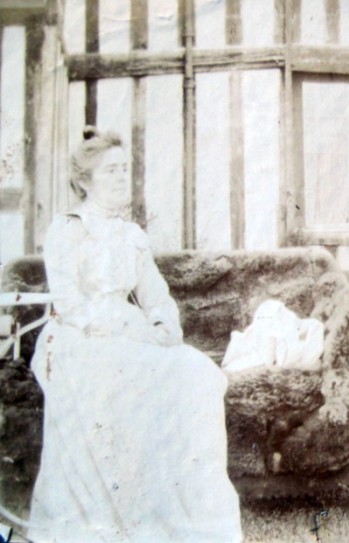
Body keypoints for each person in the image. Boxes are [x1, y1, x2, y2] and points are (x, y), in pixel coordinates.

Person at [28, 127, 242, 542]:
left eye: (125, 168)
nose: (121, 177)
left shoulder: (131, 236)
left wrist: (164, 325)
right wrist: (127, 326)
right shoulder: (67, 229)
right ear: (85, 181)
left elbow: (155, 295)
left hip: (131, 335)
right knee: (120, 377)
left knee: (196, 371)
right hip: (78, 337)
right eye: (110, 170)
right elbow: (70, 303)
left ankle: (176, 510)